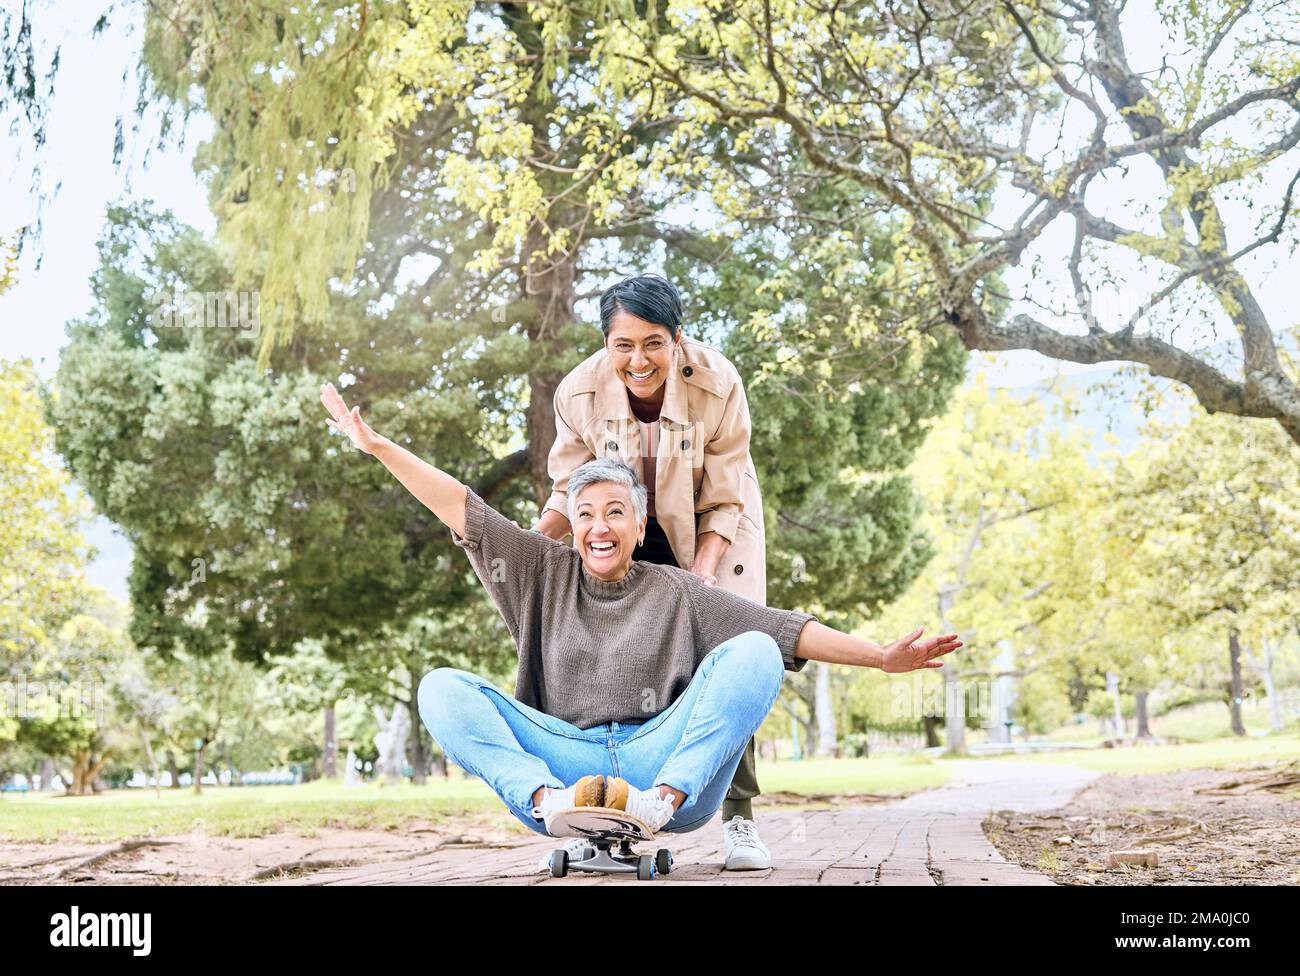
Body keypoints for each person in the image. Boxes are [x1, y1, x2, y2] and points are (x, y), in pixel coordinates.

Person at [320, 383, 964, 865]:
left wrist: (882, 657)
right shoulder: (538, 572)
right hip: (566, 762)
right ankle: (550, 807)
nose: (599, 527)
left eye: (615, 512)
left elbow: (787, 630)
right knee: (440, 687)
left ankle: (654, 808)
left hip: (659, 761)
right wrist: (377, 448)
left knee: (757, 653)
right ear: (571, 523)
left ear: (637, 522)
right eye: (587, 513)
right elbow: (461, 505)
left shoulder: (677, 590)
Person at [533, 272, 779, 867]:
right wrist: (530, 558)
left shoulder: (717, 384)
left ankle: (739, 817)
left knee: (728, 649)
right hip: (620, 526)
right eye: (624, 345)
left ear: (677, 339)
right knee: (597, 655)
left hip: (710, 524)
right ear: (606, 345)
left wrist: (704, 575)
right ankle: (600, 820)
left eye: (653, 344)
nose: (638, 360)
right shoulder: (578, 392)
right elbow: (569, 490)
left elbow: (725, 494)